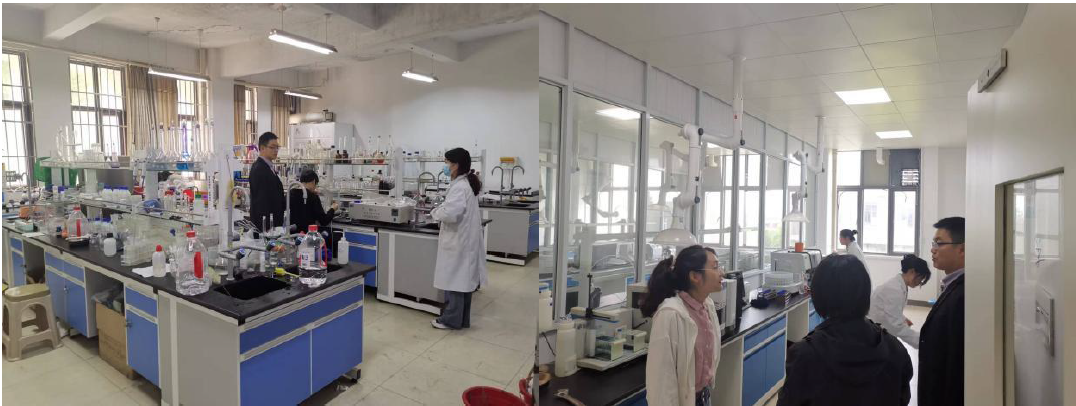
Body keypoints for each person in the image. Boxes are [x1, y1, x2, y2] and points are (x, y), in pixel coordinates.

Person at [779, 254, 913, 406]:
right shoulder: (895, 349)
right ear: (865, 292)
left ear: (819, 295)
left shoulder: (804, 355)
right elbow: (902, 398)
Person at [641, 245, 723, 406]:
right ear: (695, 276)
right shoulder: (670, 314)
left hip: (703, 397)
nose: (722, 273)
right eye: (715, 267)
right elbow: (661, 383)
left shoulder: (707, 305)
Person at [430, 148, 488, 330]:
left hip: (458, 241)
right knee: (463, 281)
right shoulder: (464, 184)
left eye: (447, 162)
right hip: (464, 240)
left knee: (455, 280)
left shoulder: (460, 187)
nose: (445, 166)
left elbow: (450, 214)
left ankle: (451, 320)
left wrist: (435, 212)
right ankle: (462, 319)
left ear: (456, 165)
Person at [918, 217, 965, 406]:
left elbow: (957, 363)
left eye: (939, 243)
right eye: (933, 243)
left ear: (962, 249)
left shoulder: (964, 295)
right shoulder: (953, 286)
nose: (933, 249)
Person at [868, 254, 932, 348]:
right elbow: (897, 327)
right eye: (921, 278)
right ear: (912, 272)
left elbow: (890, 310)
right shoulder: (894, 289)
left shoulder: (899, 285)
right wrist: (922, 342)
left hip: (880, 325)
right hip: (874, 330)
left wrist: (902, 318)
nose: (920, 283)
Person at [289, 169, 340, 256]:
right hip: (308, 238)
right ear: (313, 181)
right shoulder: (313, 197)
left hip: (293, 236)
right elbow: (324, 221)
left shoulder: (291, 193)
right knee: (309, 259)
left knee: (297, 258)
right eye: (316, 184)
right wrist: (332, 209)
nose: (316, 187)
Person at [249, 132, 285, 232]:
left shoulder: (267, 166)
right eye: (272, 147)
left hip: (271, 223)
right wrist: (267, 229)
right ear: (262, 148)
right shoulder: (260, 169)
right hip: (266, 226)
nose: (276, 150)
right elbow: (262, 202)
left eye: (277, 147)